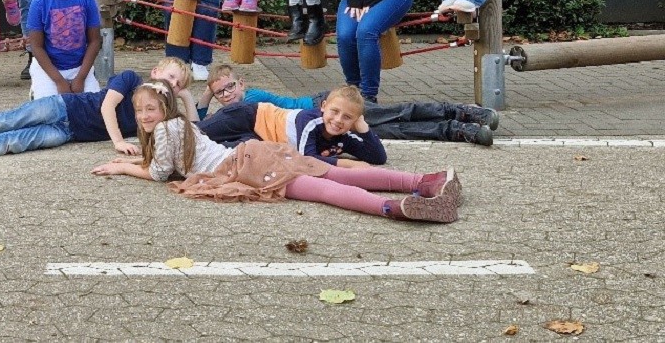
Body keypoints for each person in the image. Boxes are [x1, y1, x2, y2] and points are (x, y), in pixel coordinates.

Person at [90, 82, 461, 223]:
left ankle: (395, 207)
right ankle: (427, 181)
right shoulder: (179, 125)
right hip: (254, 153)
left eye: (148, 110)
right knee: (334, 175)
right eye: (140, 112)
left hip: (246, 167)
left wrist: (124, 168)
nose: (143, 117)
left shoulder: (169, 128)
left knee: (324, 189)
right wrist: (130, 160)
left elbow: (159, 173)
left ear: (164, 110)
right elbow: (160, 163)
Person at [0, 57, 192, 170]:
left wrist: (187, 96)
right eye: (170, 76)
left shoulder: (159, 115)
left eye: (178, 84)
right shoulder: (131, 80)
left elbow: (195, 128)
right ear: (155, 72)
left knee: (10, 143)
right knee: (0, 122)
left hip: (67, 133)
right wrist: (118, 142)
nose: (173, 83)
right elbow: (108, 106)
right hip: (63, 106)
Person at [197, 64, 498, 145]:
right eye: (220, 93)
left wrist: (209, 98)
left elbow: (205, 120)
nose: (227, 94)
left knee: (396, 113)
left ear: (242, 84)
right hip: (321, 125)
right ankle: (455, 130)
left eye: (230, 87)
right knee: (393, 131)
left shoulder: (249, 101)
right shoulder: (229, 107)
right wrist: (207, 93)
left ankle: (460, 111)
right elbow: (206, 115)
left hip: (326, 105)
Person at [197, 84, 387, 166]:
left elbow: (378, 157)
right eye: (334, 112)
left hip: (258, 139)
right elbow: (307, 159)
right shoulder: (311, 121)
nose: (338, 120)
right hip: (248, 116)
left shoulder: (344, 136)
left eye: (347, 117)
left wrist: (363, 127)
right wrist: (347, 164)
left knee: (209, 150)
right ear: (323, 107)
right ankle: (169, 124)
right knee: (194, 132)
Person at [25, 0, 101, 99]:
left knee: (94, 108)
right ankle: (36, 91)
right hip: (48, 69)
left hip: (79, 68)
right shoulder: (39, 2)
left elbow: (95, 41)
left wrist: (80, 78)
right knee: (50, 111)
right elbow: (36, 47)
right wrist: (59, 81)